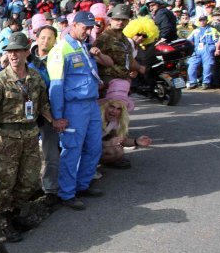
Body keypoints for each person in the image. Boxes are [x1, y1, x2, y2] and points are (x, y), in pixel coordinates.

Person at [0, 32, 52, 238]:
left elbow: (43, 104)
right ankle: (5, 219)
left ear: (26, 52)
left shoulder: (36, 78)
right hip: (7, 138)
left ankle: (17, 212)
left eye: (17, 51)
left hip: (31, 135)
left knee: (30, 179)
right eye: (10, 51)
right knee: (6, 182)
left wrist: (54, 121)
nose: (13, 55)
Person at [47, 12, 104, 210]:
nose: (88, 32)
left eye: (91, 28)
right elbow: (56, 86)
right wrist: (59, 115)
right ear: (74, 25)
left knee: (94, 146)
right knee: (72, 150)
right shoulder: (60, 49)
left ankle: (82, 185)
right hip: (74, 107)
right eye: (85, 27)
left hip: (91, 104)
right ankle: (67, 193)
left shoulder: (84, 46)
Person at [29, 24, 60, 208]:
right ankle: (33, 187)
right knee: (30, 155)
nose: (46, 41)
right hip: (29, 115)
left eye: (50, 38)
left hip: (51, 112)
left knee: (51, 153)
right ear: (36, 38)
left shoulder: (58, 58)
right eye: (43, 37)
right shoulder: (27, 58)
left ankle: (50, 189)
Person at [99, 80, 152, 168]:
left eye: (119, 109)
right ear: (105, 106)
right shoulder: (95, 118)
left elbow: (121, 140)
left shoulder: (115, 120)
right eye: (111, 106)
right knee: (112, 149)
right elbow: (84, 143)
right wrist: (107, 143)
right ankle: (85, 169)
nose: (114, 111)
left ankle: (93, 165)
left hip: (94, 147)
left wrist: (136, 142)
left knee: (118, 151)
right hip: (80, 150)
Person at [95, 4, 146, 85]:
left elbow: (128, 59)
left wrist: (137, 68)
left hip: (123, 81)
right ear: (111, 20)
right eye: (117, 19)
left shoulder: (125, 40)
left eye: (124, 19)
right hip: (108, 83)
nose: (120, 22)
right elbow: (95, 60)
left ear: (128, 22)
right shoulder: (104, 38)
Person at [186, 15, 220, 89]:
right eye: (200, 20)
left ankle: (206, 83)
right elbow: (188, 40)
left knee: (207, 66)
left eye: (203, 20)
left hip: (207, 48)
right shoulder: (196, 30)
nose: (202, 22)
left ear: (207, 20)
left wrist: (217, 49)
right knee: (192, 65)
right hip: (197, 49)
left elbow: (217, 41)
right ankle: (192, 82)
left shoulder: (212, 30)